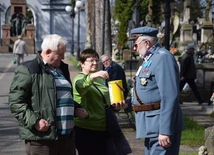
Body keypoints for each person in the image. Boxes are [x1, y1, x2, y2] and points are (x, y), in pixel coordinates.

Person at [8, 34, 88, 155]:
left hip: (67, 138)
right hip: (42, 140)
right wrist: (35, 121)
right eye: (60, 54)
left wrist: (76, 108)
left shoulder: (62, 69)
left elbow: (61, 96)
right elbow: (15, 102)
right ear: (48, 51)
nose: (62, 58)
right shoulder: (28, 69)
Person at [129, 26, 184, 155]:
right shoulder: (150, 59)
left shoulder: (162, 58)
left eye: (136, 44)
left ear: (146, 43)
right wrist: (127, 102)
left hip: (160, 126)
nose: (134, 48)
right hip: (150, 125)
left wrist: (165, 130)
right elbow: (148, 91)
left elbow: (170, 96)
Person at [72, 48, 131, 155]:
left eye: (96, 60)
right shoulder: (79, 79)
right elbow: (80, 86)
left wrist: (117, 104)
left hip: (104, 127)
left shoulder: (98, 79)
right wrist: (92, 76)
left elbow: (103, 101)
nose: (95, 63)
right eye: (91, 61)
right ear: (82, 64)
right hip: (87, 129)